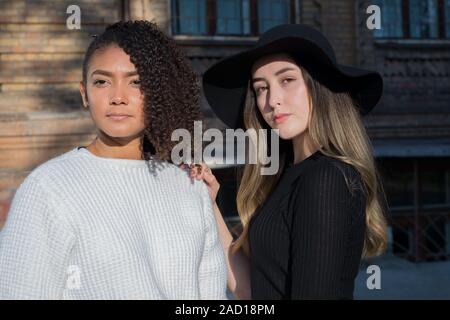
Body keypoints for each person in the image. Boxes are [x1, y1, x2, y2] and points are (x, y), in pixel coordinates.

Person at [0, 21, 227, 300]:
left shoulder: (189, 187)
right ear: (85, 93)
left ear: (156, 92)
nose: (118, 97)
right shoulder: (49, 187)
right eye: (102, 81)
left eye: (136, 82)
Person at [192, 24, 388, 299]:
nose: (272, 101)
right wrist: (209, 204)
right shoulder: (288, 174)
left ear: (318, 86)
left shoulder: (326, 179)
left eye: (287, 80)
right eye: (261, 88)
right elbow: (252, 290)